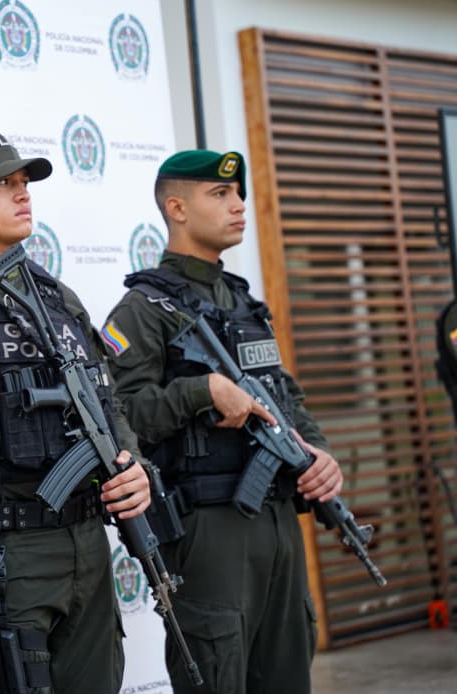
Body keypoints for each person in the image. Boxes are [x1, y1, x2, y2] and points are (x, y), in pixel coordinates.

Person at [100, 149, 344, 694]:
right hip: (210, 525)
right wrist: (198, 391)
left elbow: (286, 396)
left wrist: (321, 455)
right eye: (220, 195)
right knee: (218, 671)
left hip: (278, 517)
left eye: (238, 194)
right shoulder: (141, 310)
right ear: (176, 208)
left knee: (287, 671)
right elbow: (119, 412)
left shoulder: (242, 302)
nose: (238, 206)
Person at [0, 131, 152, 694]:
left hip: (87, 543)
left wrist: (134, 465)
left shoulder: (56, 296)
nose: (21, 194)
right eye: (3, 183)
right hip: (5, 548)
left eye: (24, 183)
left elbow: (106, 396)